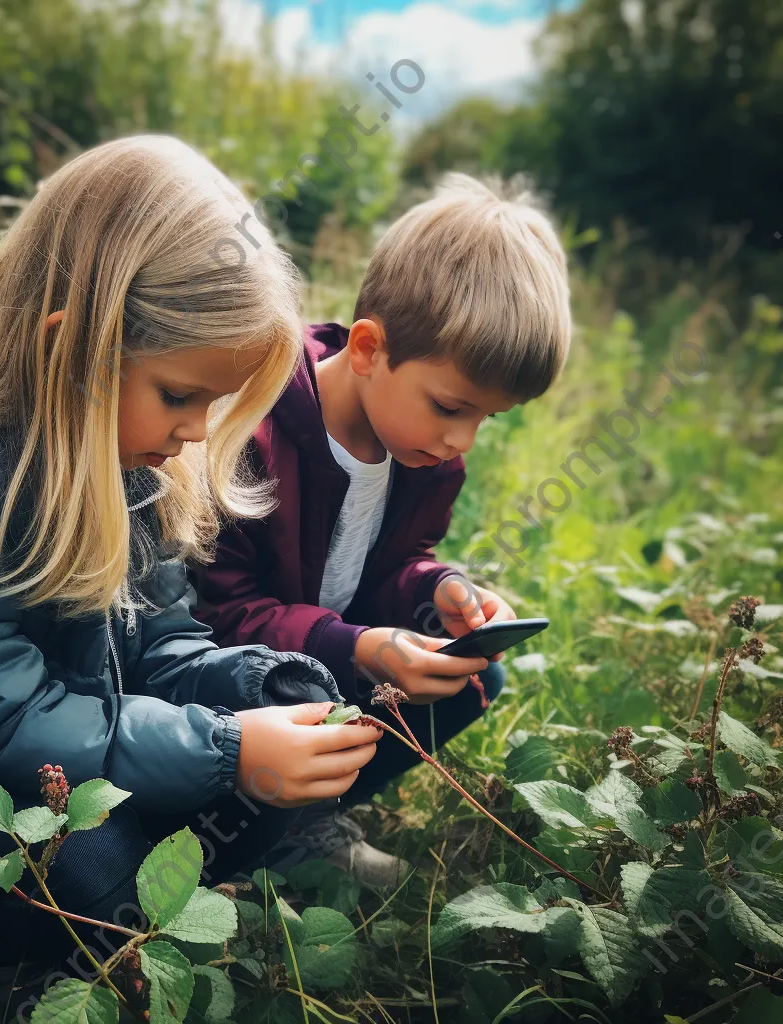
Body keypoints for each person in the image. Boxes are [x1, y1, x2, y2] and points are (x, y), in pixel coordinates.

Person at [0, 136, 383, 997]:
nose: (197, 431)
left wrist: (255, 690)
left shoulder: (137, 468)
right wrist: (223, 751)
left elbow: (161, 646)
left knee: (258, 788)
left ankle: (59, 920)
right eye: (181, 394)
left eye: (215, 403)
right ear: (74, 349)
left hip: (55, 769)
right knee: (100, 850)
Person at [191, 173, 573, 878]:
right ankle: (216, 846)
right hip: (225, 683)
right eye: (451, 406)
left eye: (489, 418)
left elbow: (397, 562)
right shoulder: (253, 433)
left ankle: (301, 824)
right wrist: (358, 648)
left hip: (326, 657)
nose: (465, 440)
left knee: (472, 679)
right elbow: (221, 612)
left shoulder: (424, 457)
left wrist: (440, 590)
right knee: (304, 694)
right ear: (367, 349)